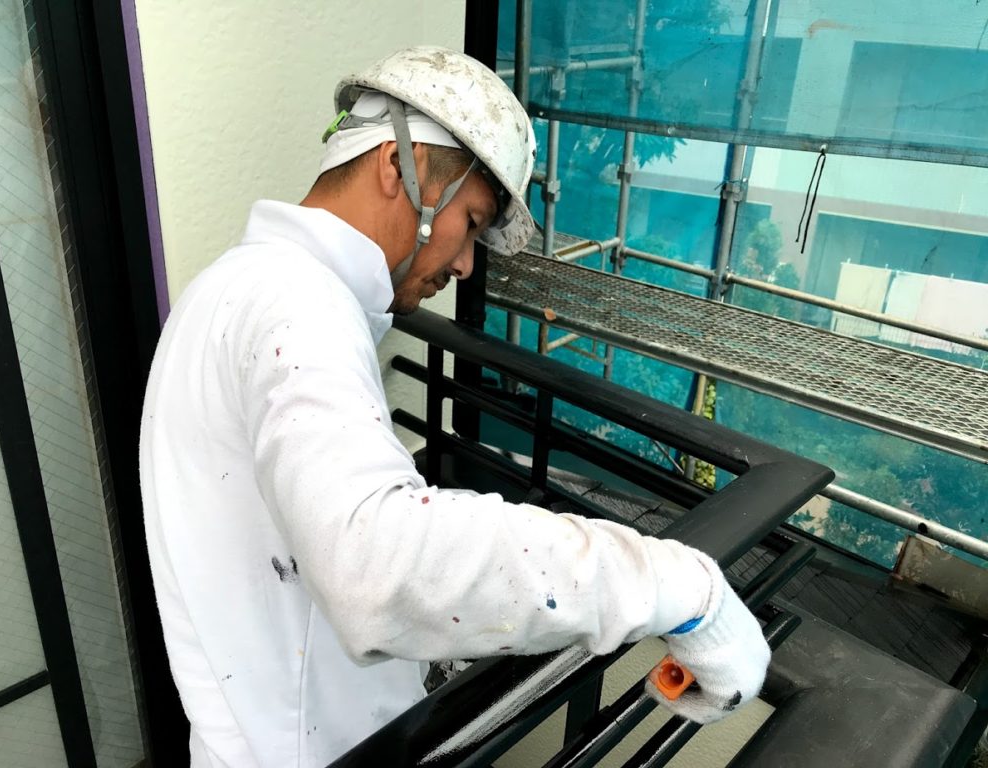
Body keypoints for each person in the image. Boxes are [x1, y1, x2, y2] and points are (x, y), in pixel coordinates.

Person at [139, 46, 770, 767]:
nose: (468, 263)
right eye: (471, 221)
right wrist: (675, 586)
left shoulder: (227, 288)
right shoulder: (297, 308)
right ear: (395, 166)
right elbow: (380, 565)